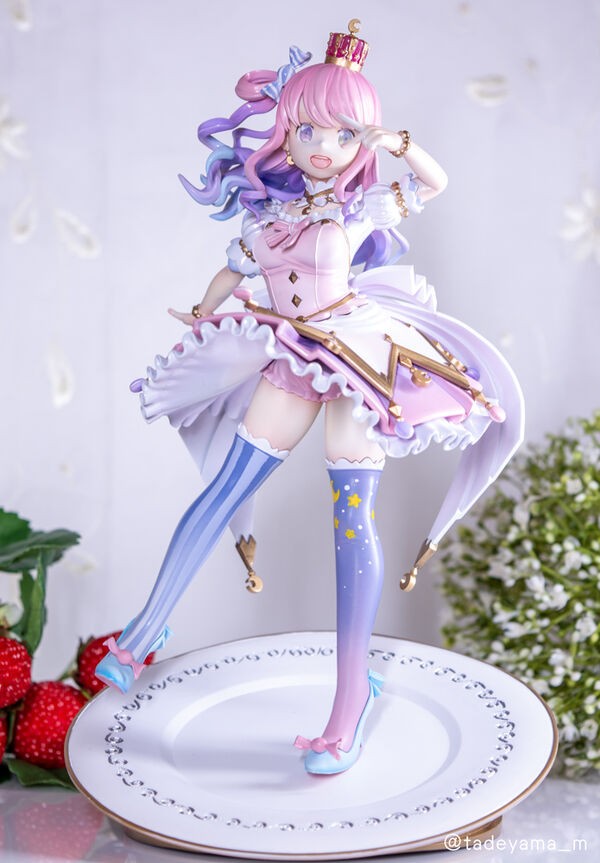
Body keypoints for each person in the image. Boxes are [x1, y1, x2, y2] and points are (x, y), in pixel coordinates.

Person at [96, 22, 523, 775]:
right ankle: (144, 633)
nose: (326, 147)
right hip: (295, 352)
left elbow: (433, 184)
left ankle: (349, 700)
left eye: (345, 134)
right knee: (226, 486)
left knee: (349, 518)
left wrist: (397, 142)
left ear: (361, 140)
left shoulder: (360, 208)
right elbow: (233, 273)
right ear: (286, 134)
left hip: (357, 356)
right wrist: (203, 312)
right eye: (310, 131)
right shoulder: (266, 214)